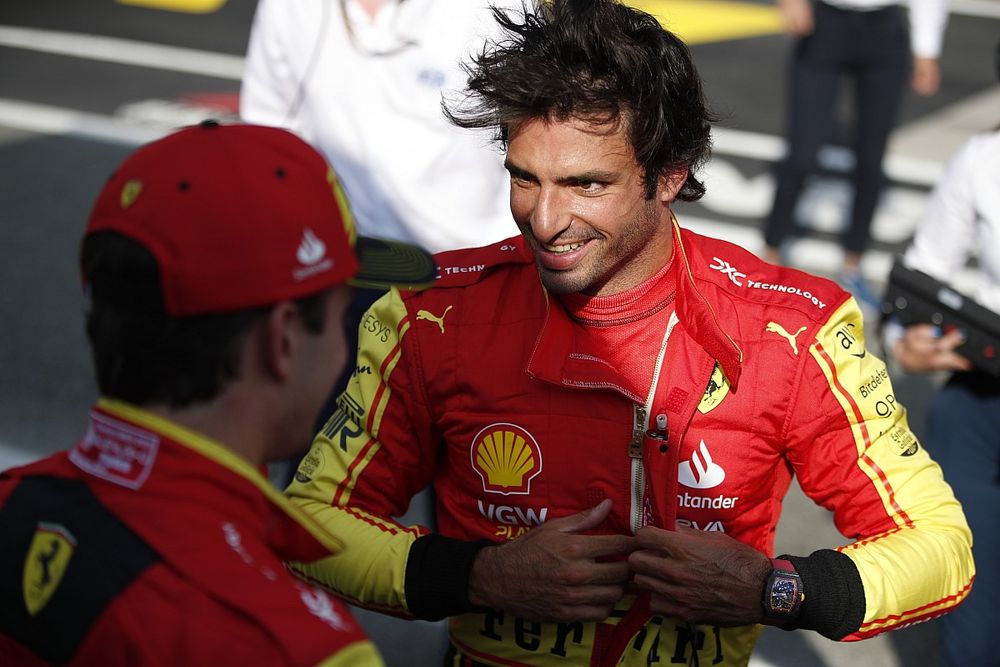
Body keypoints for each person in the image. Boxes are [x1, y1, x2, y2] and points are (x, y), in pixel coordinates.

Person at [284, 2, 974, 665]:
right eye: (524, 178)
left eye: (586, 184)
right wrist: (478, 574)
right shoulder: (433, 315)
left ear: (670, 174)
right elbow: (310, 524)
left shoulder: (792, 330)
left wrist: (777, 589)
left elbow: (941, 546)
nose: (544, 218)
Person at [0, 121, 436, 666]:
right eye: (339, 312)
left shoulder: (12, 505)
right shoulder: (300, 648)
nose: (343, 346)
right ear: (281, 341)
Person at [240, 0, 527, 254]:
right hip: (337, 261)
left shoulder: (500, 8)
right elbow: (268, 136)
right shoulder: (288, 7)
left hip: (465, 266)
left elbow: (536, 147)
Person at [887, 124, 1000, 665]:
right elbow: (925, 273)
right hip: (982, 401)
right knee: (972, 635)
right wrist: (906, 344)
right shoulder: (983, 158)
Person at [761, 0, 949, 308]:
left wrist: (927, 47)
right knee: (801, 155)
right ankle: (771, 256)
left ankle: (852, 265)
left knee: (871, 160)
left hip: (884, 30)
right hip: (825, 22)